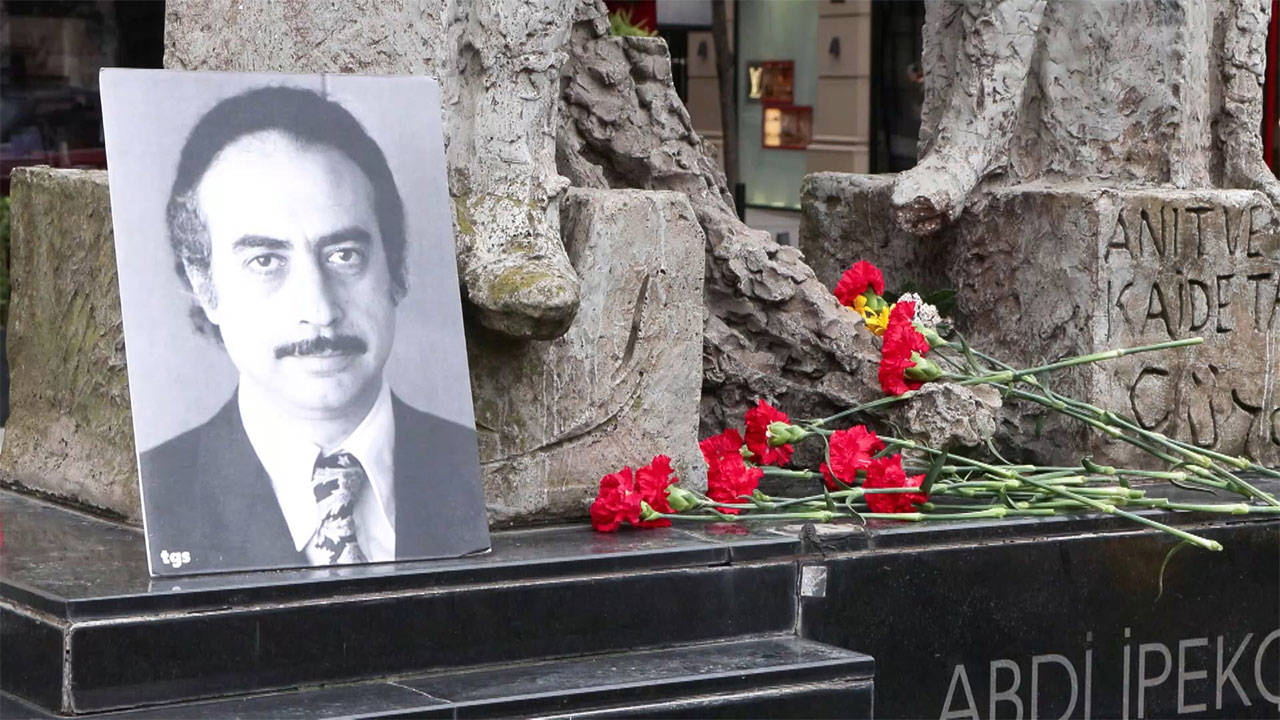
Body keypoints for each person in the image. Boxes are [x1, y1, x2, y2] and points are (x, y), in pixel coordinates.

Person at [140, 86, 488, 574]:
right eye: (265, 261)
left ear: (396, 267)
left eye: (344, 255)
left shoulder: (479, 469)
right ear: (205, 286)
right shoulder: (155, 497)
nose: (320, 310)